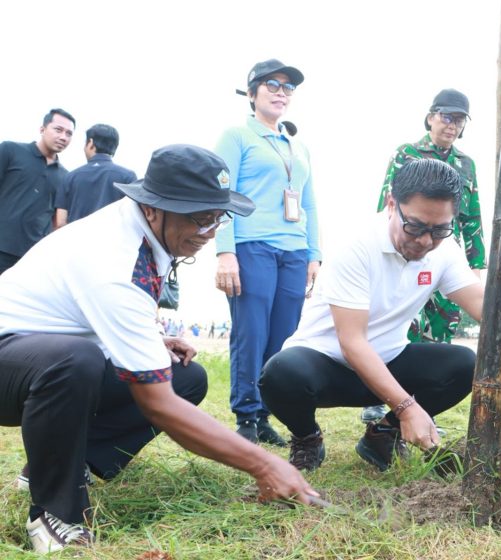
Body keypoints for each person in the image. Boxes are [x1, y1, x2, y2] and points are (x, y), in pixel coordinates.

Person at [0, 144, 317, 554]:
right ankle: (54, 510)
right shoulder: (114, 256)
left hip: (38, 354)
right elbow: (157, 405)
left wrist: (151, 339)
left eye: (218, 218)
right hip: (11, 363)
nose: (209, 232)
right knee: (76, 361)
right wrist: (264, 463)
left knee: (186, 377)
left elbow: (91, 315)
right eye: (200, 218)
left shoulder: (149, 235)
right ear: (153, 208)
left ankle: (61, 464)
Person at [259, 159, 501, 472]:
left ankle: (382, 434)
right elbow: (352, 342)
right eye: (415, 226)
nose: (426, 241)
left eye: (439, 229)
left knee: (464, 365)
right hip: (326, 365)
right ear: (391, 204)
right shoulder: (357, 245)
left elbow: (490, 313)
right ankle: (307, 438)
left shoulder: (444, 249)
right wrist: (406, 407)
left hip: (390, 361)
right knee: (281, 374)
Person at [361, 88, 486, 424]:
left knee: (443, 326)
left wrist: (475, 266)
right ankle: (378, 397)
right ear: (431, 117)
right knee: (399, 324)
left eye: (459, 119)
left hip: (446, 253)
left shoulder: (466, 164)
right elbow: (386, 202)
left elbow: (472, 218)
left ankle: (420, 408)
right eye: (447, 116)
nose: (452, 124)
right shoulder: (407, 153)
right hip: (406, 248)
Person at [215, 58, 321, 447]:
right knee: (252, 332)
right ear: (252, 92)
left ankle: (265, 415)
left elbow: (309, 204)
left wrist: (315, 254)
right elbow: (222, 196)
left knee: (284, 337)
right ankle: (245, 415)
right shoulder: (236, 136)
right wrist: (225, 252)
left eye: (288, 88)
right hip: (252, 245)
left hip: (294, 250)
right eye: (272, 85)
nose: (281, 93)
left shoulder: (298, 146)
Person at [0, 108, 75, 274]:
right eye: (58, 130)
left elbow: (58, 221)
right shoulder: (10, 150)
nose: (63, 137)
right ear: (42, 129)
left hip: (31, 259)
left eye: (69, 134)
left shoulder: (66, 177)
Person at [53, 123, 137, 228]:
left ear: (91, 143)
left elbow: (60, 222)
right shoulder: (128, 176)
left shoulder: (69, 177)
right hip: (114, 242)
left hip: (77, 241)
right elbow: (134, 217)